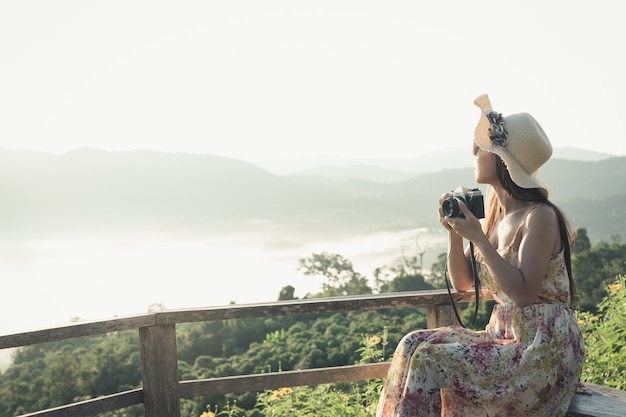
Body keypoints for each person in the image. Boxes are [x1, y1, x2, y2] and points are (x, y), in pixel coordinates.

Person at [375, 94, 585, 417]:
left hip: (542, 347)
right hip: (503, 336)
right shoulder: (495, 214)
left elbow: (525, 293)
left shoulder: (540, 217)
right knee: (413, 343)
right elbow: (462, 283)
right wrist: (455, 235)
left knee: (430, 362)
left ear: (503, 159)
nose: (474, 152)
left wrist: (478, 238)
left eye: (481, 147)